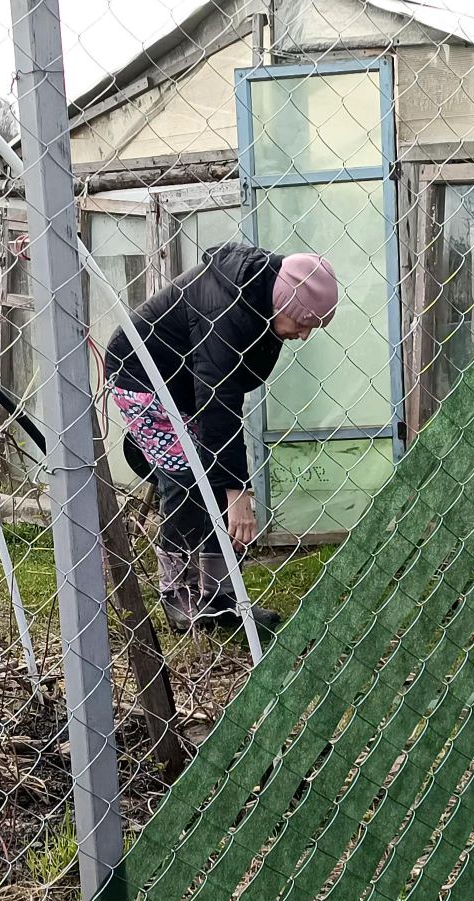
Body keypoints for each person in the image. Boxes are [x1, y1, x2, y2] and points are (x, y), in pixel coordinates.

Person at [104, 243, 339, 631]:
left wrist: (229, 484)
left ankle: (220, 596)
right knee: (185, 477)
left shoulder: (262, 302)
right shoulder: (225, 311)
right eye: (303, 322)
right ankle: (178, 594)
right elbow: (219, 402)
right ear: (285, 302)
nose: (304, 334)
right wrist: (238, 491)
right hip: (142, 378)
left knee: (212, 473)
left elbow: (223, 393)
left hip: (188, 387)